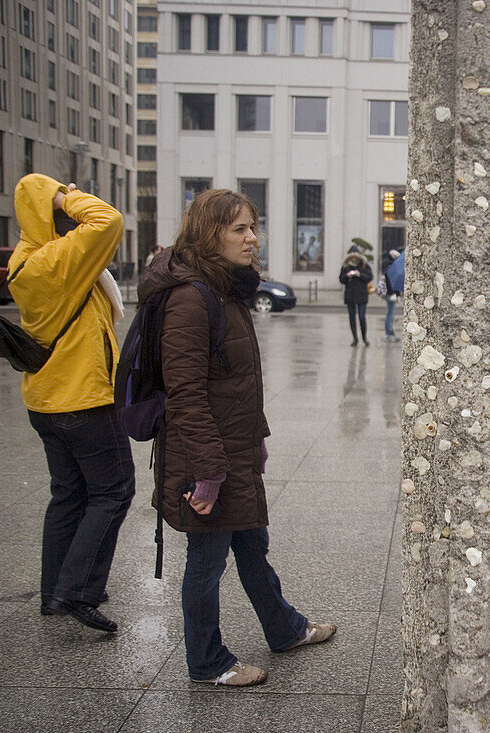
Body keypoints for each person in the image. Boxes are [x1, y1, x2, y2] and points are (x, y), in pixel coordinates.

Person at [139, 189, 336, 686]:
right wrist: (208, 474)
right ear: (211, 236)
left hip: (233, 450)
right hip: (206, 458)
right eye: (239, 230)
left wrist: (257, 439)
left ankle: (285, 629)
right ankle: (207, 661)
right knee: (206, 564)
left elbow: (237, 384)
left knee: (252, 545)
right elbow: (185, 394)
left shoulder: (224, 289)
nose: (253, 238)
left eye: (253, 227)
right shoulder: (191, 298)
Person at [9, 174, 134, 633]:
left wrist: (53, 205)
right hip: (82, 399)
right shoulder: (59, 260)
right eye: (59, 200)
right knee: (114, 491)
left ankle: (53, 592)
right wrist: (67, 195)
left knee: (68, 495)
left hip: (44, 400)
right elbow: (108, 219)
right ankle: (78, 591)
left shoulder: (26, 256)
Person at [340, 246, 373, 346]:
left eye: (355, 257)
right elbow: (341, 279)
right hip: (350, 295)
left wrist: (359, 274)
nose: (353, 259)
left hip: (362, 294)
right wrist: (347, 275)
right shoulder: (346, 267)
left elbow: (369, 277)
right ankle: (355, 338)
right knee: (351, 317)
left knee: (362, 317)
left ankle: (364, 338)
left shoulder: (364, 266)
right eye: (351, 257)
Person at [381, 245, 403, 342]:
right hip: (390, 294)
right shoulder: (390, 266)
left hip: (392, 294)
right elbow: (390, 282)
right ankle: (389, 333)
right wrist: (394, 294)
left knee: (390, 313)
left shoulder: (390, 265)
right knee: (390, 314)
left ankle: (390, 332)